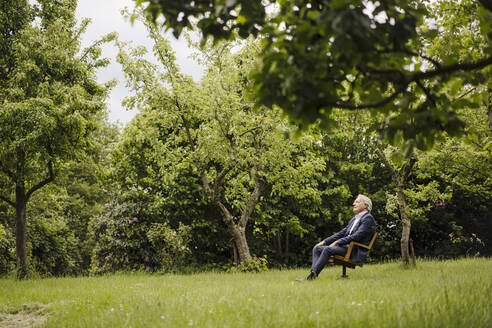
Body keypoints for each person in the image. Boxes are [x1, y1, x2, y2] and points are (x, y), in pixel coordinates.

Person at [297, 194, 376, 281]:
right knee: (317, 248)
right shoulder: (354, 219)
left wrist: (337, 242)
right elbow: (341, 233)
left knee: (327, 250)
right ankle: (313, 273)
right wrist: (324, 241)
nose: (354, 204)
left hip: (354, 250)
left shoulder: (368, 218)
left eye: (357, 202)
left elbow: (357, 236)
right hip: (345, 247)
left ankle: (311, 277)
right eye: (354, 202)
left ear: (365, 205)